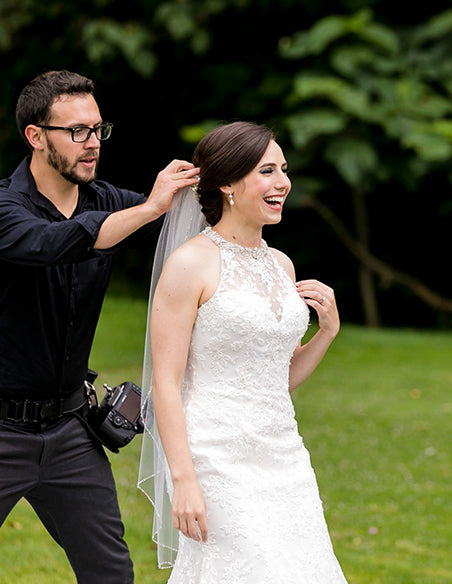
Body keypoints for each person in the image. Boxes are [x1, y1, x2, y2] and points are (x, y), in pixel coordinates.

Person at [0, 70, 196, 584]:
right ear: (35, 136)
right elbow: (53, 243)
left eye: (98, 130)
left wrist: (237, 174)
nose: (92, 143)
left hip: (70, 430)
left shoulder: (105, 200)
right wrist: (150, 207)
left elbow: (185, 218)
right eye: (77, 131)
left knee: (111, 576)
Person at [140, 122, 347, 582]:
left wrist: (327, 332)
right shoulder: (190, 264)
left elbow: (280, 377)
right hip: (216, 458)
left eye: (284, 170)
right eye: (267, 171)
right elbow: (166, 383)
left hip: (284, 455)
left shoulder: (281, 265)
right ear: (228, 185)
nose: (283, 183)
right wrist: (183, 478)